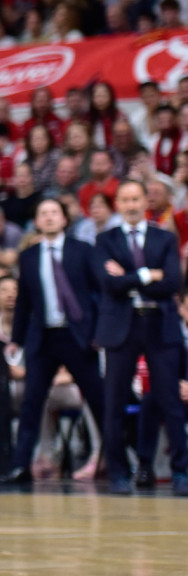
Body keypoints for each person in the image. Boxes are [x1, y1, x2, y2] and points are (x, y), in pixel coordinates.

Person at [0, 199, 105, 486]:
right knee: (31, 402)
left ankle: (117, 462)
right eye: (43, 213)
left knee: (98, 399)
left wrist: (99, 332)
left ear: (64, 219)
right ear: (36, 221)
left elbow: (99, 293)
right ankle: (20, 465)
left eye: (54, 213)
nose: (48, 218)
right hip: (43, 338)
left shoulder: (82, 250)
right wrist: (16, 339)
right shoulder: (29, 256)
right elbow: (24, 302)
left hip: (79, 336)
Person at [94, 180, 188, 495]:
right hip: (121, 325)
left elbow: (172, 282)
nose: (131, 205)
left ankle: (180, 471)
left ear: (145, 201)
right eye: (125, 200)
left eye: (136, 199)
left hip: (160, 322)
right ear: (118, 205)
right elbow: (109, 284)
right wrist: (149, 274)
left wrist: (129, 278)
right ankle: (119, 473)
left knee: (170, 400)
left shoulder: (165, 237)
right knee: (115, 403)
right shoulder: (105, 239)